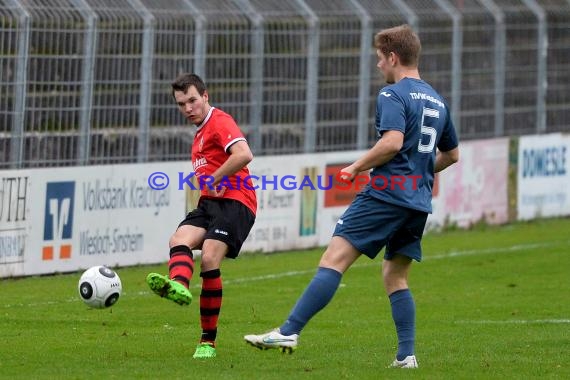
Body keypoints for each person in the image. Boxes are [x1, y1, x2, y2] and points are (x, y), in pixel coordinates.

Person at [244, 24, 459, 368]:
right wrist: (418, 171)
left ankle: (289, 330)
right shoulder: (438, 100)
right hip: (417, 200)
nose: (378, 66)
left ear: (393, 57)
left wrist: (356, 166)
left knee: (334, 259)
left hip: (387, 194)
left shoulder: (393, 95)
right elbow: (451, 155)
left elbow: (391, 142)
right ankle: (406, 356)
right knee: (395, 275)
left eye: (379, 59)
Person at [147, 73, 257, 359]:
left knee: (209, 256)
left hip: (237, 202)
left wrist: (216, 177)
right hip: (210, 204)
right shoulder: (198, 137)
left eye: (193, 100)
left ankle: (208, 341)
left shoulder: (219, 121)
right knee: (178, 239)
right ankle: (179, 286)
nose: (188, 108)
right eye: (182, 104)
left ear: (206, 96)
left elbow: (244, 154)